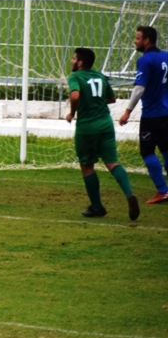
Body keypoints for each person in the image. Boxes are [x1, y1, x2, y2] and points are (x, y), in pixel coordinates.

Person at [67, 47, 140, 220]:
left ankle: (97, 207)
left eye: (74, 58)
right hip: (106, 125)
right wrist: (95, 100)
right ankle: (129, 194)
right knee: (112, 162)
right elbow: (112, 98)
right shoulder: (100, 76)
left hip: (87, 127)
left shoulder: (75, 77)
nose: (71, 61)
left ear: (80, 62)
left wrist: (72, 113)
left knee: (87, 166)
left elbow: (75, 96)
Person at [118, 26, 168, 205]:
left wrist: (127, 112)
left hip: (152, 115)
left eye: (137, 38)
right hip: (166, 112)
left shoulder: (145, 60)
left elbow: (139, 89)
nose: (135, 41)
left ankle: (162, 190)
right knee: (166, 149)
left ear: (146, 40)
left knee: (147, 151)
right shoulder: (166, 56)